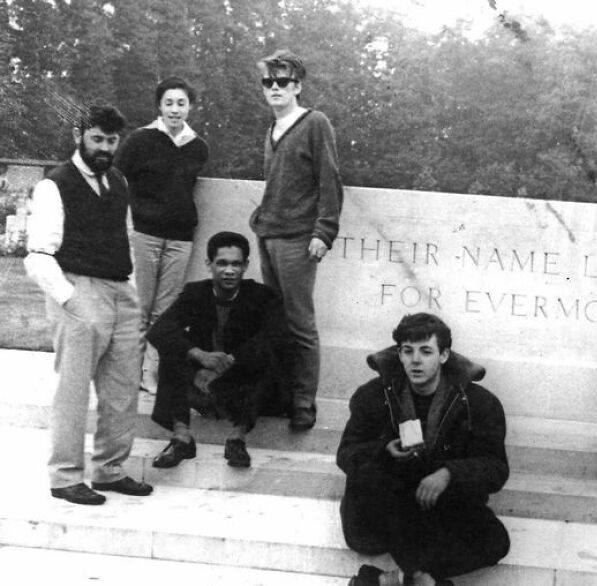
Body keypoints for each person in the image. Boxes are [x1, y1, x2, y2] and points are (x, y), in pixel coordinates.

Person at [24, 104, 153, 505]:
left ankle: (110, 470)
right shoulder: (55, 184)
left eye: (112, 141)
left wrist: (130, 289)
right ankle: (64, 477)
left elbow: (125, 238)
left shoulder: (118, 181)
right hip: (78, 289)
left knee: (122, 389)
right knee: (74, 390)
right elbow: (38, 255)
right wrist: (71, 299)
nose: (104, 148)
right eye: (97, 138)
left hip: (120, 291)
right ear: (79, 135)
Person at [337, 313, 510, 586]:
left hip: (438, 503)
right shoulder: (373, 395)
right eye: (408, 351)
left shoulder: (478, 403)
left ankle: (385, 581)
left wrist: (449, 473)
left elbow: (496, 468)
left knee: (496, 542)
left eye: (426, 351)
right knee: (396, 501)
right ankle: (422, 580)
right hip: (386, 505)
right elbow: (346, 454)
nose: (416, 360)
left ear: (444, 356)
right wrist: (383, 451)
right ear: (399, 354)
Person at [251, 49, 343, 431]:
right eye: (268, 82)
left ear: (297, 86)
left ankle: (304, 402)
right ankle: (281, 395)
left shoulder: (314, 123)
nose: (274, 88)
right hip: (268, 235)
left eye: (282, 82)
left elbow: (330, 180)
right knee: (275, 322)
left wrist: (324, 231)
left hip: (298, 239)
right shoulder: (270, 130)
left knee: (300, 323)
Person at [147, 231, 287, 469]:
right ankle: (181, 437)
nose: (229, 270)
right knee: (174, 346)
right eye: (222, 263)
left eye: (236, 264)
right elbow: (159, 330)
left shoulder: (261, 296)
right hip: (200, 381)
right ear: (209, 264)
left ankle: (237, 438)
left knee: (269, 353)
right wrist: (199, 355)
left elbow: (278, 337)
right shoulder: (195, 292)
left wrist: (228, 362)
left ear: (245, 266)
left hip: (239, 383)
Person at [114, 76, 209, 394]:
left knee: (165, 311)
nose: (175, 109)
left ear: (190, 107)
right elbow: (116, 180)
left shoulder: (198, 146)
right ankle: (129, 372)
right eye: (169, 103)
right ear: (159, 105)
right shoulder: (139, 140)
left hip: (180, 239)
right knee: (139, 307)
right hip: (144, 234)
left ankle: (150, 374)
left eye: (181, 103)